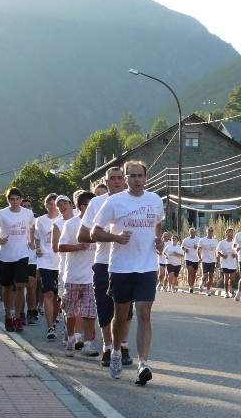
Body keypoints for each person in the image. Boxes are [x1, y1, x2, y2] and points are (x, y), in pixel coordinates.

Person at [92, 160, 165, 385]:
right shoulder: (115, 202)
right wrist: (115, 237)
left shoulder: (155, 200)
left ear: (146, 178)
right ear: (125, 179)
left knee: (144, 312)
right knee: (120, 315)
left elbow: (158, 224)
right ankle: (115, 352)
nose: (136, 179)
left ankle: (143, 363)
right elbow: (95, 232)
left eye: (139, 175)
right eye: (131, 175)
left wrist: (159, 240)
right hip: (121, 267)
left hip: (146, 266)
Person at [78, 169, 128, 368]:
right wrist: (106, 235)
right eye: (112, 179)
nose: (116, 181)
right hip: (103, 261)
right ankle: (108, 347)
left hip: (127, 261)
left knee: (126, 309)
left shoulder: (133, 202)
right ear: (105, 182)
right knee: (105, 308)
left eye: (119, 178)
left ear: (124, 180)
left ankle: (122, 346)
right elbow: (82, 235)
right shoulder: (97, 203)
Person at [54, 192, 98, 357]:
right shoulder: (72, 224)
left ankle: (87, 344)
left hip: (91, 276)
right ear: (83, 207)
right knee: (71, 311)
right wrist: (80, 246)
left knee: (89, 312)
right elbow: (61, 247)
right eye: (92, 205)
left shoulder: (99, 225)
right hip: (72, 275)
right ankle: (71, 337)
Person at [0, 186, 34, 333]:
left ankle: (18, 318)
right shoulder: (1, 214)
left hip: (22, 254)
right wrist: (0, 240)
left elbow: (32, 225)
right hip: (6, 256)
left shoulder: (28, 213)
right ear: (8, 200)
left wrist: (31, 240)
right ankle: (8, 316)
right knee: (7, 287)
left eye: (17, 199)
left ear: (21, 200)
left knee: (20, 285)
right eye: (12, 199)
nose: (15, 202)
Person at [33, 193, 63, 339]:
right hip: (45, 261)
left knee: (58, 296)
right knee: (48, 293)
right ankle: (50, 327)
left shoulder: (64, 218)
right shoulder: (40, 220)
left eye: (54, 204)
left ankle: (55, 317)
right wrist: (38, 248)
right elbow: (37, 238)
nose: (52, 206)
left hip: (61, 261)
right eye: (49, 204)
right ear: (46, 205)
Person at [217, 228, 238, 298]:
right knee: (226, 278)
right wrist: (222, 255)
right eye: (229, 232)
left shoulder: (235, 242)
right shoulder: (222, 242)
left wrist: (235, 254)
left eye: (231, 232)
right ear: (226, 234)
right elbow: (218, 251)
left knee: (232, 278)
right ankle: (226, 292)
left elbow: (238, 250)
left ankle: (230, 286)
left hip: (232, 263)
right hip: (225, 263)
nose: (230, 234)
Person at [197, 227, 219, 295]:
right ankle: (202, 282)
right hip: (205, 260)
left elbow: (217, 251)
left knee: (211, 275)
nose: (210, 232)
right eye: (209, 231)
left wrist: (217, 261)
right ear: (206, 231)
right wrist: (200, 257)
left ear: (213, 232)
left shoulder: (215, 241)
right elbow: (199, 249)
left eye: (211, 231)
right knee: (205, 275)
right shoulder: (202, 240)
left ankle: (208, 290)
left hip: (212, 260)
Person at [182, 227, 201, 293]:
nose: (192, 233)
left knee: (194, 273)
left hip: (196, 258)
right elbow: (182, 246)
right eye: (191, 232)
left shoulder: (198, 239)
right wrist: (185, 249)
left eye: (193, 232)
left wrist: (197, 247)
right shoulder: (186, 240)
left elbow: (201, 248)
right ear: (189, 232)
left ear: (195, 232)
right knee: (190, 271)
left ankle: (192, 284)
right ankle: (190, 286)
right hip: (188, 258)